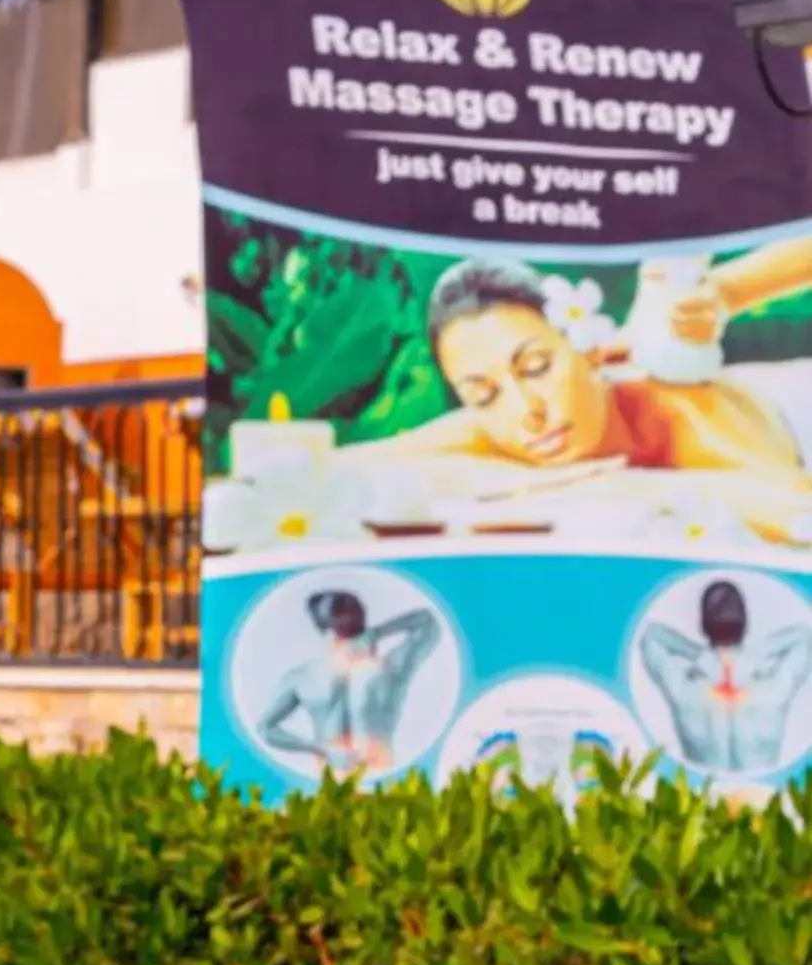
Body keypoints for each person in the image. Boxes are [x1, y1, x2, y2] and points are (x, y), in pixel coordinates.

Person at [352, 240, 812, 542]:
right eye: (484, 395)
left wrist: (623, 486)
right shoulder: (496, 428)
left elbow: (798, 517)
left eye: (536, 368)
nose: (526, 410)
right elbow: (329, 471)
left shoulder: (686, 413)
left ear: (594, 352)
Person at [255, 588, 440, 778]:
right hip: (332, 781)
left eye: (352, 608)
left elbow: (428, 621)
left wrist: (377, 632)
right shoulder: (304, 676)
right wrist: (321, 750)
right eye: (342, 611)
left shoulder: (389, 669)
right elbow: (265, 728)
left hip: (381, 776)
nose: (348, 614)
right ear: (327, 624)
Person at [639, 577, 812, 773]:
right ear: (745, 625)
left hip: (702, 797)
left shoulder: (685, 689)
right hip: (762, 796)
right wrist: (752, 656)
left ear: (704, 626)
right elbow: (804, 636)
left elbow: (652, 636)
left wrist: (699, 655)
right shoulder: (772, 689)